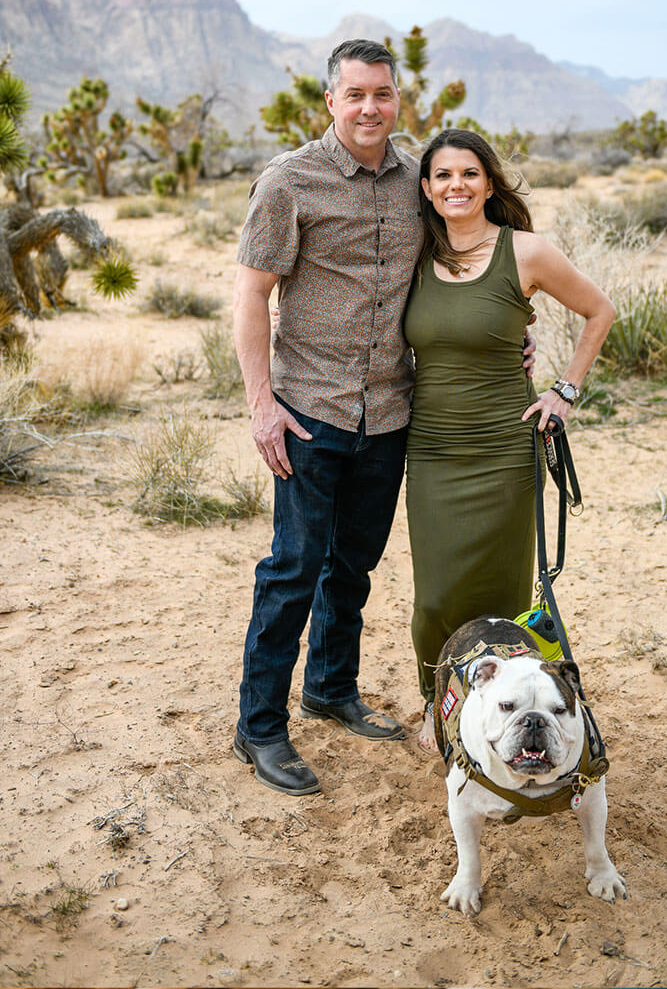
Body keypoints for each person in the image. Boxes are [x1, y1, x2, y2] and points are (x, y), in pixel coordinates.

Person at [232, 39, 424, 797]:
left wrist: (519, 326)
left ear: (397, 98)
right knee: (292, 569)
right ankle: (260, 728)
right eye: (356, 95)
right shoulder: (290, 181)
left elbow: (465, 258)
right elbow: (251, 297)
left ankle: (332, 688)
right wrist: (261, 407)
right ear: (331, 103)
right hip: (310, 411)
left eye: (382, 93)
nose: (370, 107)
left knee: (355, 566)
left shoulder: (420, 177)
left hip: (390, 411)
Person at [403, 129, 616, 753]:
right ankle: (438, 706)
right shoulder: (415, 255)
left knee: (500, 596)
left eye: (469, 174)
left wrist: (565, 391)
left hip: (504, 445)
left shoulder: (525, 253)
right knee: (435, 598)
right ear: (426, 188)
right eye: (442, 176)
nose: (456, 186)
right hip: (434, 448)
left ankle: (498, 716)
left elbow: (599, 311)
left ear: (489, 184)